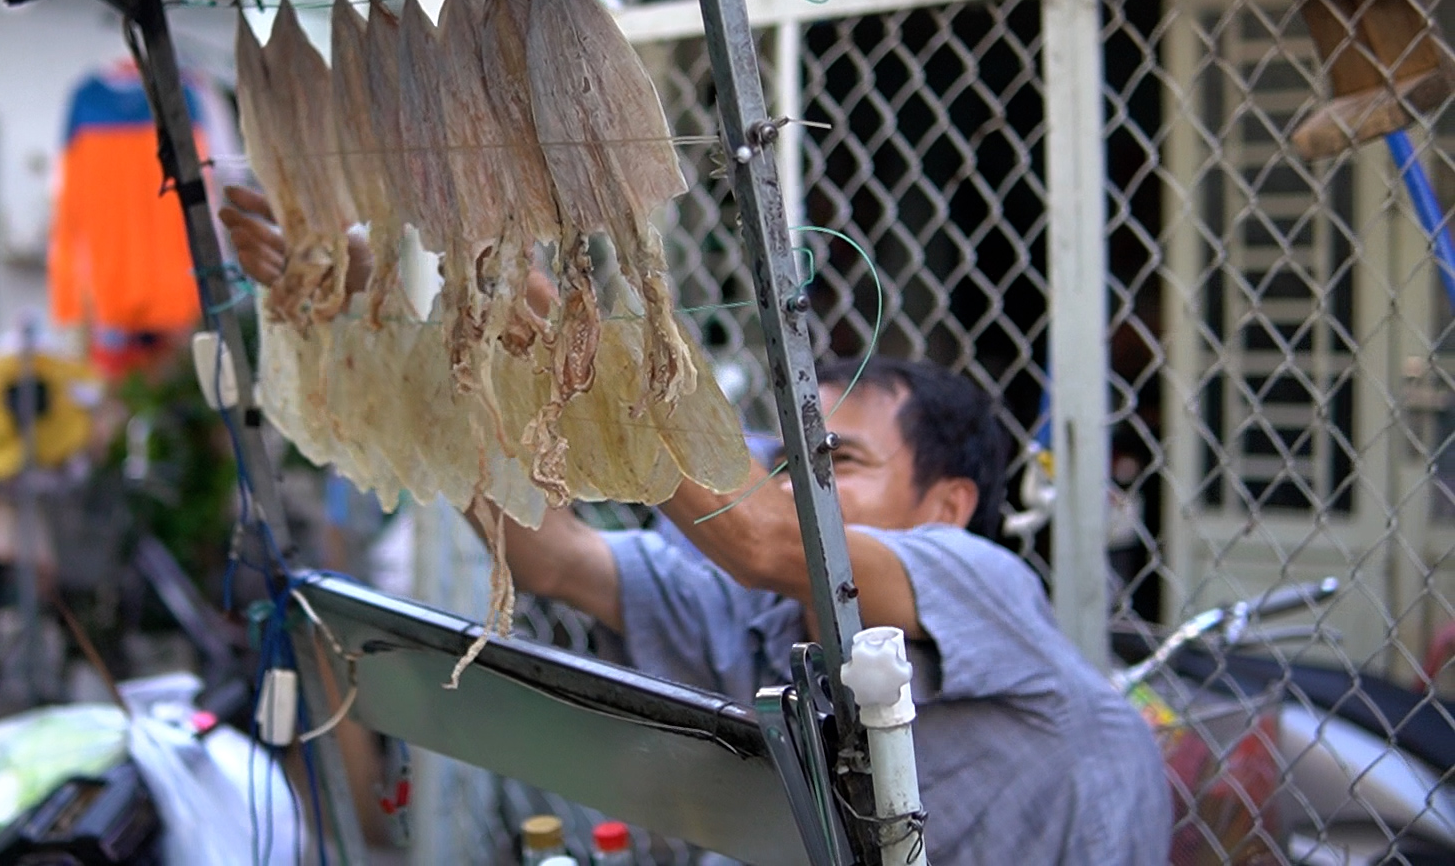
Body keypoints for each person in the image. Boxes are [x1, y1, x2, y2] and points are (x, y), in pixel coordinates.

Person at [218, 187, 1170, 865]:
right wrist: (428, 323)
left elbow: (759, 537)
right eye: (794, 466)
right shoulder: (759, 617)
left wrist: (528, 298)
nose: (805, 490)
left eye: (841, 464)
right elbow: (552, 555)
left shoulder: (975, 576)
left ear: (947, 506)